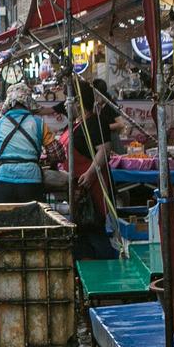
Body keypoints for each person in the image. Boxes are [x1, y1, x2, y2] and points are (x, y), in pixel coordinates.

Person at [67, 78, 115, 258]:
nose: (66, 105)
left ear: (78, 102)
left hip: (94, 186)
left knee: (95, 229)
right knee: (82, 235)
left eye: (69, 100)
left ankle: (109, 272)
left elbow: (104, 150)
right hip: (79, 188)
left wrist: (89, 174)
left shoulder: (95, 122)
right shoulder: (78, 123)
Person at [0, 84, 47, 203]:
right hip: (31, 180)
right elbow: (57, 152)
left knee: (4, 219)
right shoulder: (38, 123)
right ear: (28, 102)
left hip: (3, 180)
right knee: (31, 220)